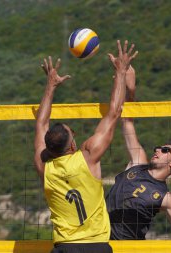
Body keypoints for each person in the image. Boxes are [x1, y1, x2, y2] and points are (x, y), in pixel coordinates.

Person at [33, 40, 138, 253]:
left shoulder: (44, 168)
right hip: (96, 246)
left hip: (65, 247)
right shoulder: (87, 157)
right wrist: (120, 71)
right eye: (73, 133)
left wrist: (50, 86)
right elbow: (114, 112)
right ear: (72, 145)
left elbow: (40, 123)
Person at [105, 65, 171, 240]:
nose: (157, 150)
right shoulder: (138, 163)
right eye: (158, 147)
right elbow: (127, 120)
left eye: (165, 150)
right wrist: (130, 89)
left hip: (128, 249)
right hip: (99, 242)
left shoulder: (165, 198)